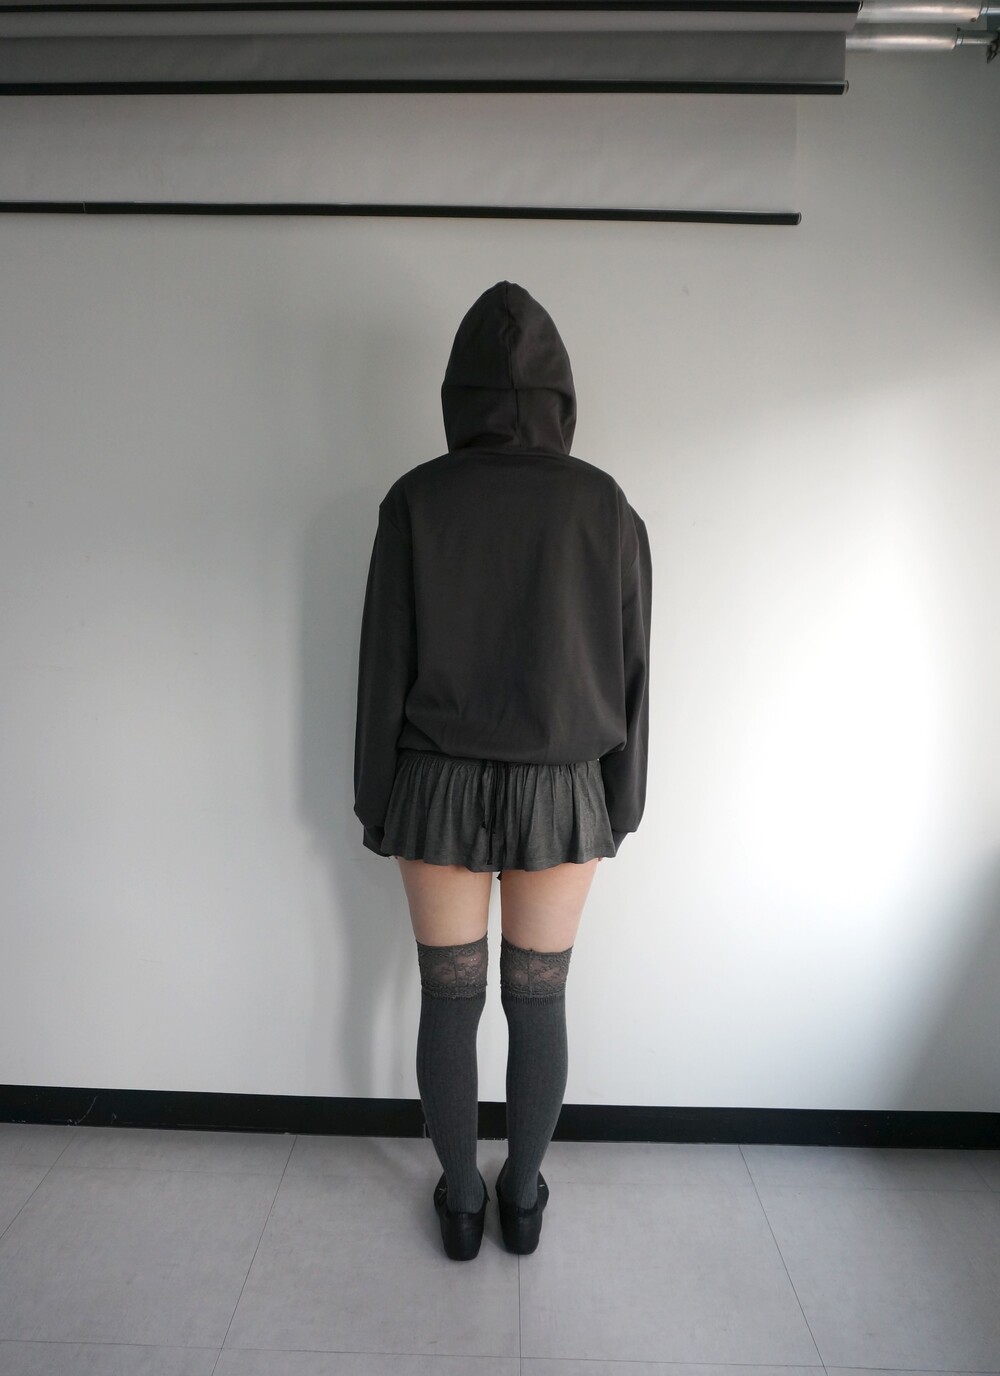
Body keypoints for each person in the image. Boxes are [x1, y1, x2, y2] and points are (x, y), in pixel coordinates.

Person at [353, 280, 652, 1260]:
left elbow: (382, 665)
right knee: (538, 998)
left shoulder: (415, 499)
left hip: (434, 783)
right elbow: (633, 666)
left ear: (459, 392)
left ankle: (459, 1200)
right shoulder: (603, 503)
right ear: (560, 393)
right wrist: (621, 802)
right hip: (561, 787)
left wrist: (375, 799)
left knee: (449, 1000)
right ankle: (521, 1196)